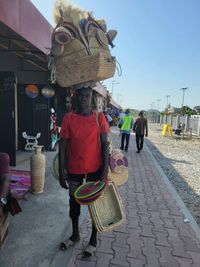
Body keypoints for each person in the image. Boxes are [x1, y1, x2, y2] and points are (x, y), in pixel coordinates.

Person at [58, 86, 109, 258]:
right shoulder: (68, 118)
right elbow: (63, 145)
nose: (83, 99)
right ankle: (75, 235)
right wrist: (61, 170)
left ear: (91, 99)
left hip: (95, 170)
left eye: (86, 96)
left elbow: (104, 145)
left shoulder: (99, 117)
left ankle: (93, 240)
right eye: (80, 96)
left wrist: (105, 171)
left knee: (95, 205)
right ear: (76, 98)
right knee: (74, 203)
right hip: (74, 170)